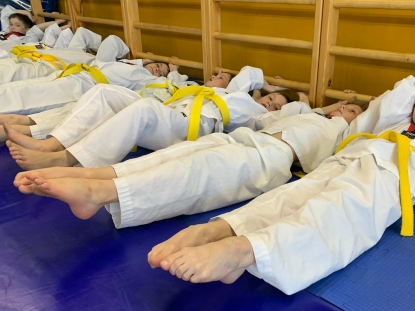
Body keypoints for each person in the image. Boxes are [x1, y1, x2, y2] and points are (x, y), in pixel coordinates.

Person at [137, 76, 415, 295]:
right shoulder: (391, 126)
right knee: (287, 197)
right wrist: (413, 88)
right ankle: (217, 231)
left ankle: (245, 251)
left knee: (332, 212)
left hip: (387, 178)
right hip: (346, 159)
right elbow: (387, 107)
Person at [11, 95, 365, 229]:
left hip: (272, 159)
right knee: (170, 157)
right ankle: (90, 175)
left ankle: (99, 194)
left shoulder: (346, 134)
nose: (345, 110)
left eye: (352, 110)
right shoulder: (305, 115)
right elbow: (273, 113)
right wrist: (320, 105)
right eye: (344, 106)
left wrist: (351, 116)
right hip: (243, 138)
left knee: (193, 174)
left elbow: (379, 115)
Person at [4, 72, 300, 169]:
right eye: (271, 98)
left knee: (144, 108)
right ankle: (53, 143)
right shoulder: (236, 92)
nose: (269, 103)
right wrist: (268, 87)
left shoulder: (256, 117)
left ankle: (66, 159)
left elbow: (296, 111)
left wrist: (293, 100)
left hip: (189, 128)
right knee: (105, 91)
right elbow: (250, 72)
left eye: (275, 105)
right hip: (171, 114)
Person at [0, 34, 179, 116]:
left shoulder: (146, 80)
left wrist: (174, 71)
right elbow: (113, 41)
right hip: (73, 74)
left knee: (29, 97)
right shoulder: (125, 63)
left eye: (161, 72)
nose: (157, 69)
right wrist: (136, 59)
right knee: (21, 87)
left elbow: (171, 86)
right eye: (157, 65)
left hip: (85, 87)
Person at [0, 26, 101, 85]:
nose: (13, 27)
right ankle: (98, 56)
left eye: (17, 25)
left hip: (39, 56)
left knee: (79, 32)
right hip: (45, 62)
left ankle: (96, 53)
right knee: (79, 36)